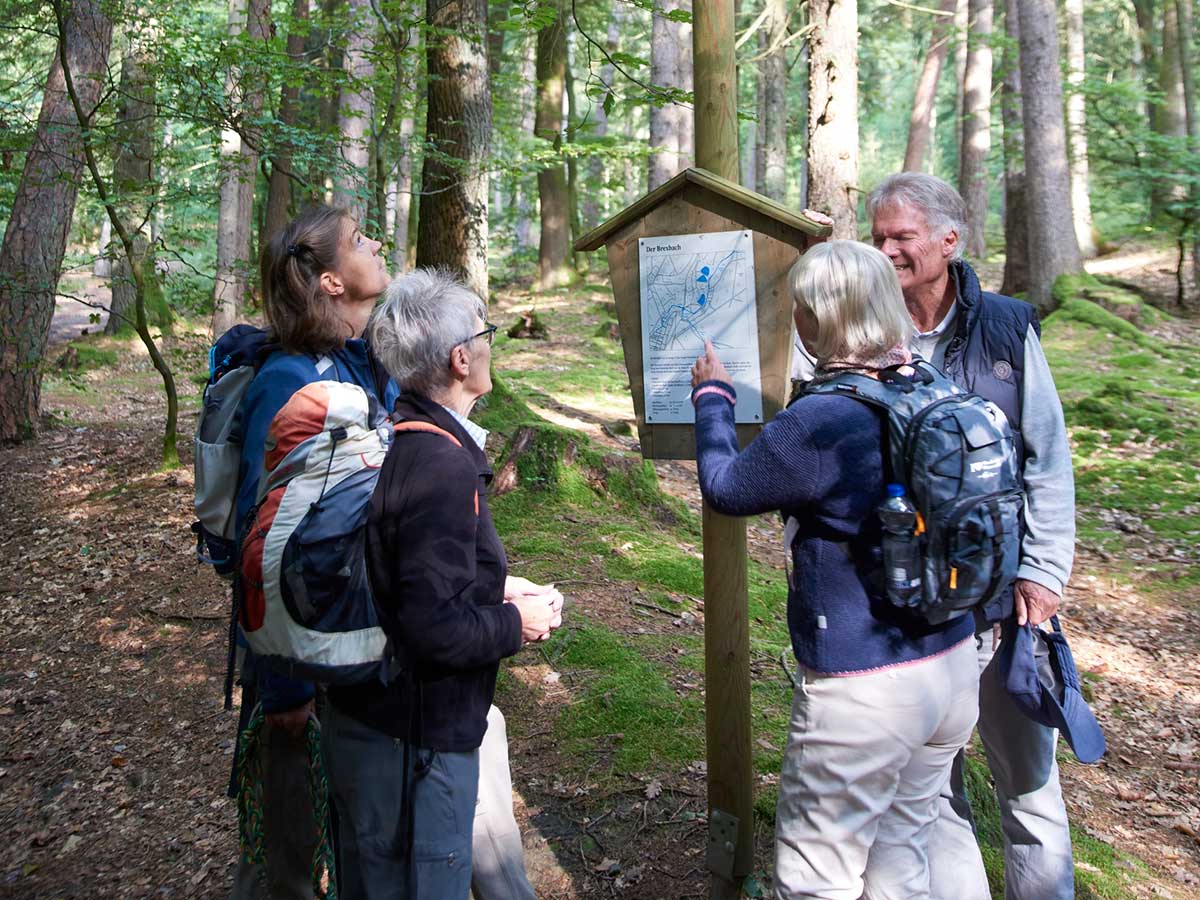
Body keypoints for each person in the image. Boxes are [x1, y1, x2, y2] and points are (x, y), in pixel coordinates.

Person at [691, 240, 981, 899]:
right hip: (951, 663)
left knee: (817, 878)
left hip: (865, 693)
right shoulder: (928, 385)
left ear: (815, 319)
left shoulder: (822, 419)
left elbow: (728, 490)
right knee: (901, 856)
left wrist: (712, 399)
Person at [865, 172, 1077, 900]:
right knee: (931, 785)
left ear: (948, 242)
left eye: (902, 238)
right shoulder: (866, 328)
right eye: (879, 238)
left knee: (1030, 784)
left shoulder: (1008, 328)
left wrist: (1045, 571)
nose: (887, 251)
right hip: (912, 603)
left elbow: (1046, 455)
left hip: (1006, 597)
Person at [321, 268, 561, 900]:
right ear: (461, 358)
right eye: (485, 334)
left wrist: (498, 587)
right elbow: (435, 628)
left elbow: (408, 578)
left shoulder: (399, 435)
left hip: (375, 722)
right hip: (410, 744)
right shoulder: (440, 465)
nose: (490, 343)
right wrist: (519, 623)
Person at [230, 204, 396, 900]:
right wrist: (284, 688)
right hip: (296, 652)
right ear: (330, 281)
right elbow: (255, 537)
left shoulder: (359, 363)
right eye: (360, 241)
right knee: (288, 858)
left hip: (354, 640)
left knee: (360, 836)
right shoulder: (284, 380)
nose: (378, 243)